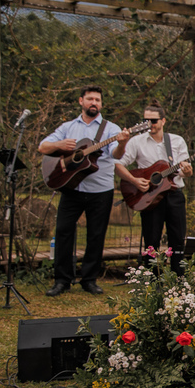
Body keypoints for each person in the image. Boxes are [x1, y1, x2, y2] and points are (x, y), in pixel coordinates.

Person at [39, 86, 131, 296]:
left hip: (101, 190)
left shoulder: (110, 129)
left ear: (101, 104)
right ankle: (62, 280)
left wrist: (123, 143)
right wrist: (60, 144)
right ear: (81, 101)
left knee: (96, 235)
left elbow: (116, 154)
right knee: (63, 233)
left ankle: (89, 279)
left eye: (98, 100)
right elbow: (43, 147)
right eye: (90, 99)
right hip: (72, 188)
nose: (94, 103)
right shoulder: (68, 127)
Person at [114, 103, 192, 274]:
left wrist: (187, 171)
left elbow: (185, 170)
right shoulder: (137, 142)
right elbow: (118, 164)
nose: (150, 124)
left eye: (154, 120)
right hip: (149, 197)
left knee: (177, 239)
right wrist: (134, 181)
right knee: (151, 240)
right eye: (146, 120)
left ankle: (178, 279)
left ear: (163, 121)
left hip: (174, 195)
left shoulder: (177, 141)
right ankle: (152, 280)